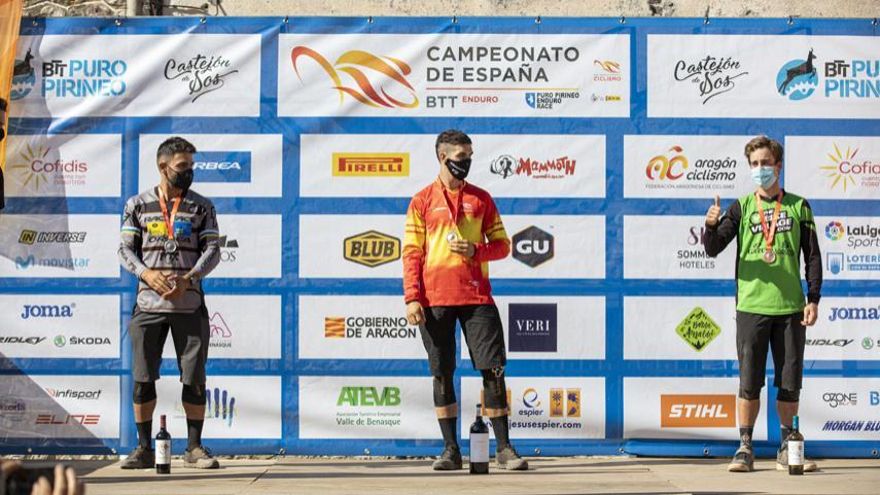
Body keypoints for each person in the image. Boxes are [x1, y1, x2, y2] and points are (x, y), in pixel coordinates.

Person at [403, 129, 527, 471]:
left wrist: (476, 250)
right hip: (434, 298)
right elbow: (412, 253)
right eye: (461, 158)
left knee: (494, 369)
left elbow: (503, 246)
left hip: (476, 296)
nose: (467, 163)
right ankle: (450, 450)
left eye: (470, 157)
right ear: (443, 158)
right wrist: (412, 298)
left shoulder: (482, 199)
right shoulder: (422, 200)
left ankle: (503, 449)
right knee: (442, 373)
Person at [703, 136, 821, 473]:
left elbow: (812, 257)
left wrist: (813, 299)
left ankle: (787, 448)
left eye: (766, 163)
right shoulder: (741, 207)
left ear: (778, 166)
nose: (760, 169)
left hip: (790, 308)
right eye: (754, 164)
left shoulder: (799, 206)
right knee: (749, 381)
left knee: (789, 382)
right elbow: (713, 248)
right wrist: (710, 226)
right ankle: (745, 447)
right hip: (752, 306)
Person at [118, 137, 221, 469]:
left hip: (189, 304)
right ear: (163, 167)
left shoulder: (202, 206)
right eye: (182, 166)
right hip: (148, 305)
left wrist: (189, 279)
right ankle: (145, 448)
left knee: (194, 377)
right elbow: (124, 250)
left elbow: (213, 251)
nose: (189, 172)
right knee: (143, 377)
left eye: (191, 166)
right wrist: (148, 274)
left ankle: (194, 447)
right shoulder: (137, 204)